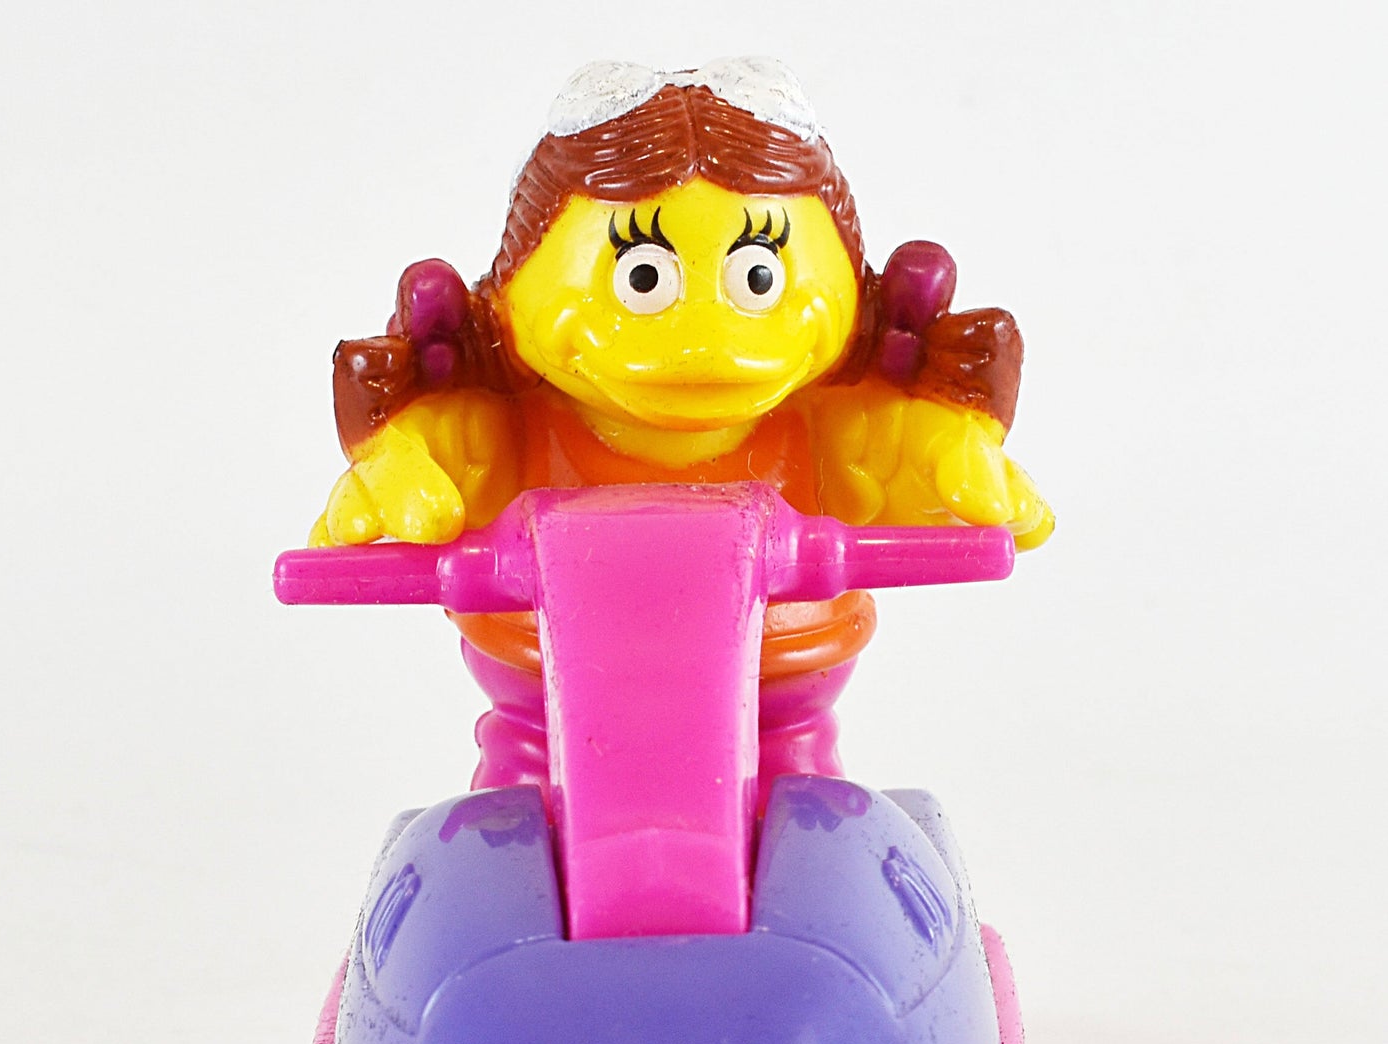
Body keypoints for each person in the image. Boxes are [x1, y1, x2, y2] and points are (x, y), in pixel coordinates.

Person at [308, 58, 1053, 792]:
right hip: (543, 712)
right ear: (511, 288)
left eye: (757, 277)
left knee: (819, 819)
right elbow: (450, 457)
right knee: (499, 822)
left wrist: (944, 449)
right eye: (644, 277)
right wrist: (399, 459)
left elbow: (892, 459)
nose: (704, 338)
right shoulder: (509, 430)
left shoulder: (825, 427)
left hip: (781, 699)